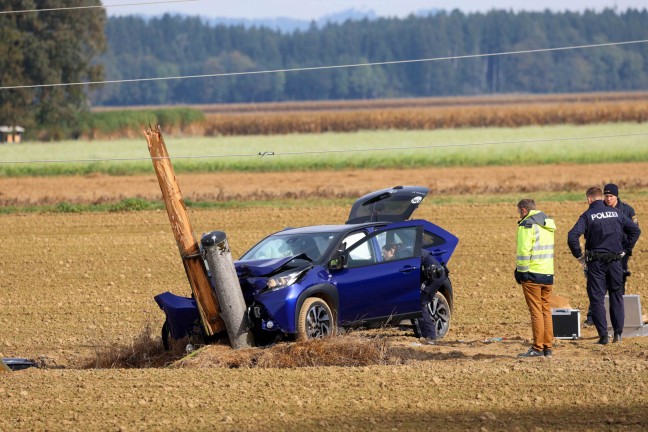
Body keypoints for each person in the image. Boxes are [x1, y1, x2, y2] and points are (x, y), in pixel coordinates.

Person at [567, 187, 641, 344]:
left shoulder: (587, 216)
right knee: (616, 295)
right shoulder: (617, 213)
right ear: (601, 198)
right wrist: (625, 249)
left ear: (589, 199)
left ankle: (603, 336)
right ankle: (618, 334)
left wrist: (579, 257)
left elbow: (572, 236)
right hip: (616, 262)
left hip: (596, 263)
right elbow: (635, 230)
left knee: (597, 298)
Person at [584, 183, 639, 325]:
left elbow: (634, 231)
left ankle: (619, 318)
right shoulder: (599, 209)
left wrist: (626, 249)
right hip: (601, 254)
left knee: (618, 285)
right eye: (606, 196)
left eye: (611, 196)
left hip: (620, 255)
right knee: (598, 286)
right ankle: (592, 316)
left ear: (616, 196)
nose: (608, 199)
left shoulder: (627, 210)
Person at [514, 199, 556, 358]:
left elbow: (524, 251)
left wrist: (521, 272)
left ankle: (537, 347)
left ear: (524, 210)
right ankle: (548, 347)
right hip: (547, 274)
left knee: (536, 311)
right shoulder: (547, 224)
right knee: (546, 310)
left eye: (519, 212)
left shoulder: (527, 225)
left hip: (532, 274)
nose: (519, 214)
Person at [417, 249, 446, 345]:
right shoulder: (412, 249)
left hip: (435, 277)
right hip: (437, 274)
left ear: (392, 250)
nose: (384, 255)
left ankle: (430, 336)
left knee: (420, 304)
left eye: (385, 253)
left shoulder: (410, 253)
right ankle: (427, 334)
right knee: (421, 303)